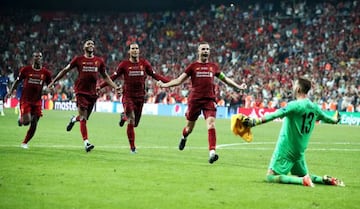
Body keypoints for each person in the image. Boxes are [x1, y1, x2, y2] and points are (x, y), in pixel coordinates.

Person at [242, 77, 345, 187]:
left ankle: (302, 182)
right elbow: (330, 119)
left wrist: (254, 122)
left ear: (299, 88)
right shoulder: (314, 108)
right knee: (304, 175)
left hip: (286, 149)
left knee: (270, 176)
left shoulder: (294, 105)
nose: (293, 87)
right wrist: (336, 119)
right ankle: (323, 179)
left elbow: (275, 115)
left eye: (295, 85)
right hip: (299, 152)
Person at [157, 42, 247, 164]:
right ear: (198, 52)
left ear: (209, 52)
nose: (205, 51)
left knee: (211, 124)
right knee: (189, 128)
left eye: (207, 49)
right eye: (203, 49)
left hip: (209, 100)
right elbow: (178, 80)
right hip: (195, 100)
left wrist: (238, 86)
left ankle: (212, 153)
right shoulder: (192, 67)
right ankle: (184, 137)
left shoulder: (213, 67)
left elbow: (225, 80)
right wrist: (164, 85)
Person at [48, 39, 120, 152]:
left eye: (92, 44)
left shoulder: (99, 61)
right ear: (84, 47)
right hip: (81, 92)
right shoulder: (78, 59)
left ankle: (73, 119)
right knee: (83, 118)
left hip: (93, 93)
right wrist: (54, 81)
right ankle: (86, 142)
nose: (91, 45)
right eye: (88, 44)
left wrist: (115, 87)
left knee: (84, 118)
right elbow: (65, 70)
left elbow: (105, 76)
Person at [98, 43, 170, 153]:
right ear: (129, 52)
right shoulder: (124, 65)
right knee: (131, 119)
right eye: (133, 49)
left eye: (136, 48)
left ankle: (123, 117)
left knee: (135, 124)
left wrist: (170, 82)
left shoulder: (144, 63)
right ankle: (132, 148)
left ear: (139, 51)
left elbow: (155, 75)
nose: (135, 50)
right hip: (128, 96)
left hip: (140, 97)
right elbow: (113, 76)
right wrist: (100, 86)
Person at [6, 52, 52, 149]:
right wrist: (10, 92)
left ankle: (25, 143)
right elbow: (17, 81)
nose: (38, 58)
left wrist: (49, 90)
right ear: (33, 58)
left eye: (40, 56)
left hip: (37, 101)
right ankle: (21, 118)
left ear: (42, 59)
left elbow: (50, 86)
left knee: (34, 123)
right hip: (25, 100)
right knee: (26, 122)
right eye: (36, 56)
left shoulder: (46, 73)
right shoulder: (26, 70)